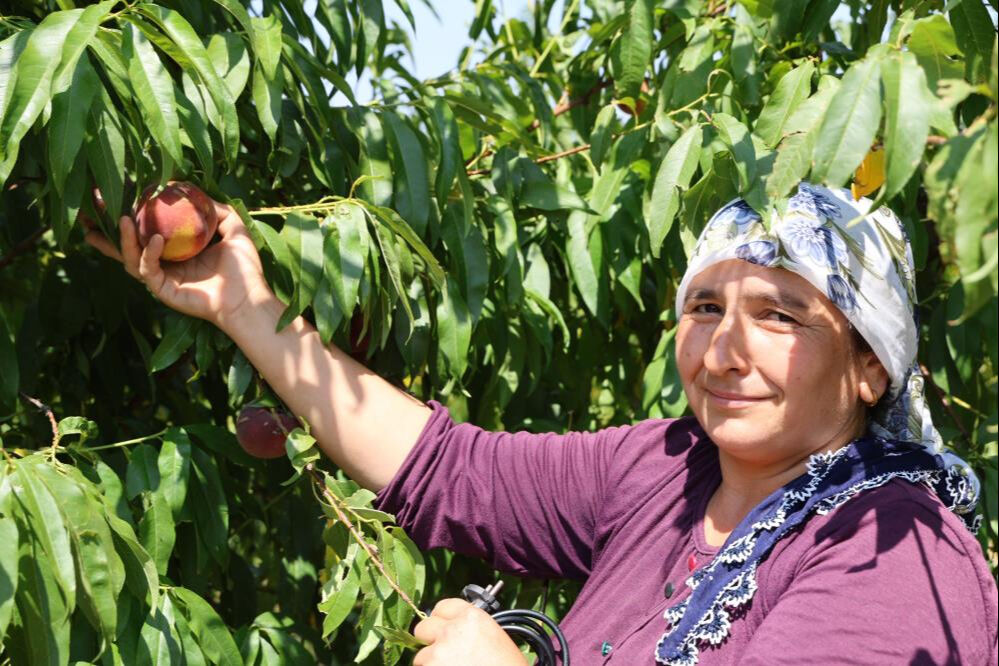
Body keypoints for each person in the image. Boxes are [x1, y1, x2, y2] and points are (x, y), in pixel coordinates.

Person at [86, 183, 998, 665]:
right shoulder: (670, 465)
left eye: (780, 316)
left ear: (871, 364)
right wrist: (248, 309)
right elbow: (447, 471)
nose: (723, 352)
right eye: (706, 306)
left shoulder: (895, 553)